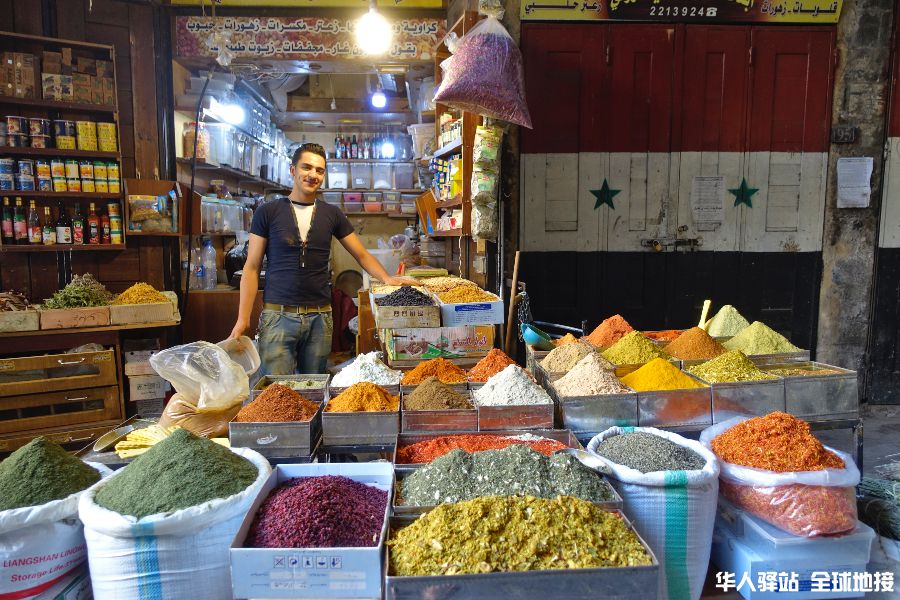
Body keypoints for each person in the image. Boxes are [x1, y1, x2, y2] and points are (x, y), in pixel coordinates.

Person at [229, 142, 415, 375]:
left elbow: (361, 254)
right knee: (276, 395)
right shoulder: (268, 212)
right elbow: (252, 267)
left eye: (319, 170)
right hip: (278, 317)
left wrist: (387, 278)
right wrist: (242, 319)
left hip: (320, 318)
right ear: (293, 170)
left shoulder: (332, 214)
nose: (313, 175)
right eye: (306, 167)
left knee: (314, 390)